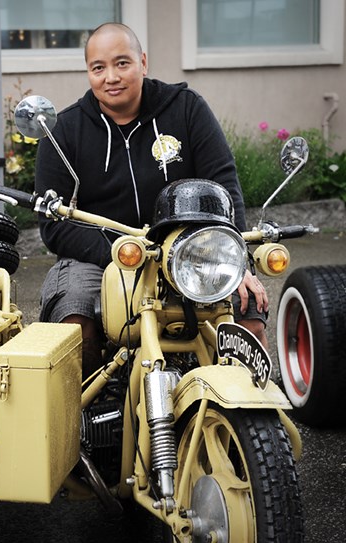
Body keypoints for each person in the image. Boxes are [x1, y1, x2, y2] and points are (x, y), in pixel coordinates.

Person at [35, 22, 269, 377]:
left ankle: (248, 413)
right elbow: (54, 226)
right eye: (98, 68)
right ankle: (87, 419)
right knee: (74, 317)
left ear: (143, 62)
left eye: (122, 63)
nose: (111, 76)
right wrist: (121, 250)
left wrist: (237, 259)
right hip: (99, 256)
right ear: (88, 73)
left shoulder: (186, 109)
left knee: (246, 310)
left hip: (191, 251)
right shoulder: (63, 131)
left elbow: (224, 185)